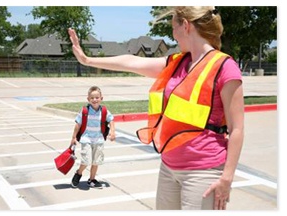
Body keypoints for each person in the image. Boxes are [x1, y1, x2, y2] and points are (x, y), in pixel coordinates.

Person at [68, 6, 244, 210]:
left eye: (173, 28)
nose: (173, 35)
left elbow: (237, 128)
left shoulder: (225, 66)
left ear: (185, 26)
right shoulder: (177, 63)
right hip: (169, 166)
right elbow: (131, 62)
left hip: (203, 170)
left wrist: (227, 178)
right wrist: (87, 60)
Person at [70, 86, 115, 189]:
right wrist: (73, 137)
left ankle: (92, 180)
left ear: (101, 98)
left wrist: (113, 132)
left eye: (97, 97)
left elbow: (111, 120)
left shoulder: (104, 111)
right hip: (86, 139)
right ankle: (78, 173)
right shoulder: (85, 111)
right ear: (88, 99)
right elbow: (78, 124)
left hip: (99, 140)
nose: (95, 100)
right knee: (86, 160)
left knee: (96, 161)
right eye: (92, 98)